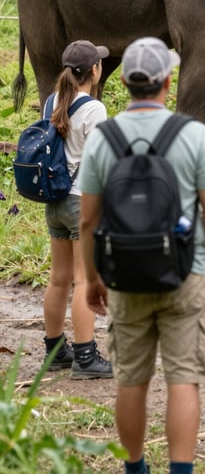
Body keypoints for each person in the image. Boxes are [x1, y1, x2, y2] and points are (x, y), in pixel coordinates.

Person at [79, 37, 205, 474]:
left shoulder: (103, 137)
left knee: (131, 379)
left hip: (124, 274)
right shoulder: (192, 134)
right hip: (187, 271)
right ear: (169, 81)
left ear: (125, 82)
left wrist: (92, 277)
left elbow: (88, 221)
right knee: (183, 379)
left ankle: (135, 467)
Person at [42, 39, 113, 379]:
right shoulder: (94, 109)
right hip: (81, 201)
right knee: (86, 279)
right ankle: (85, 356)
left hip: (54, 200)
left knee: (59, 279)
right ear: (94, 71)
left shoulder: (51, 102)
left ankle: (55, 350)